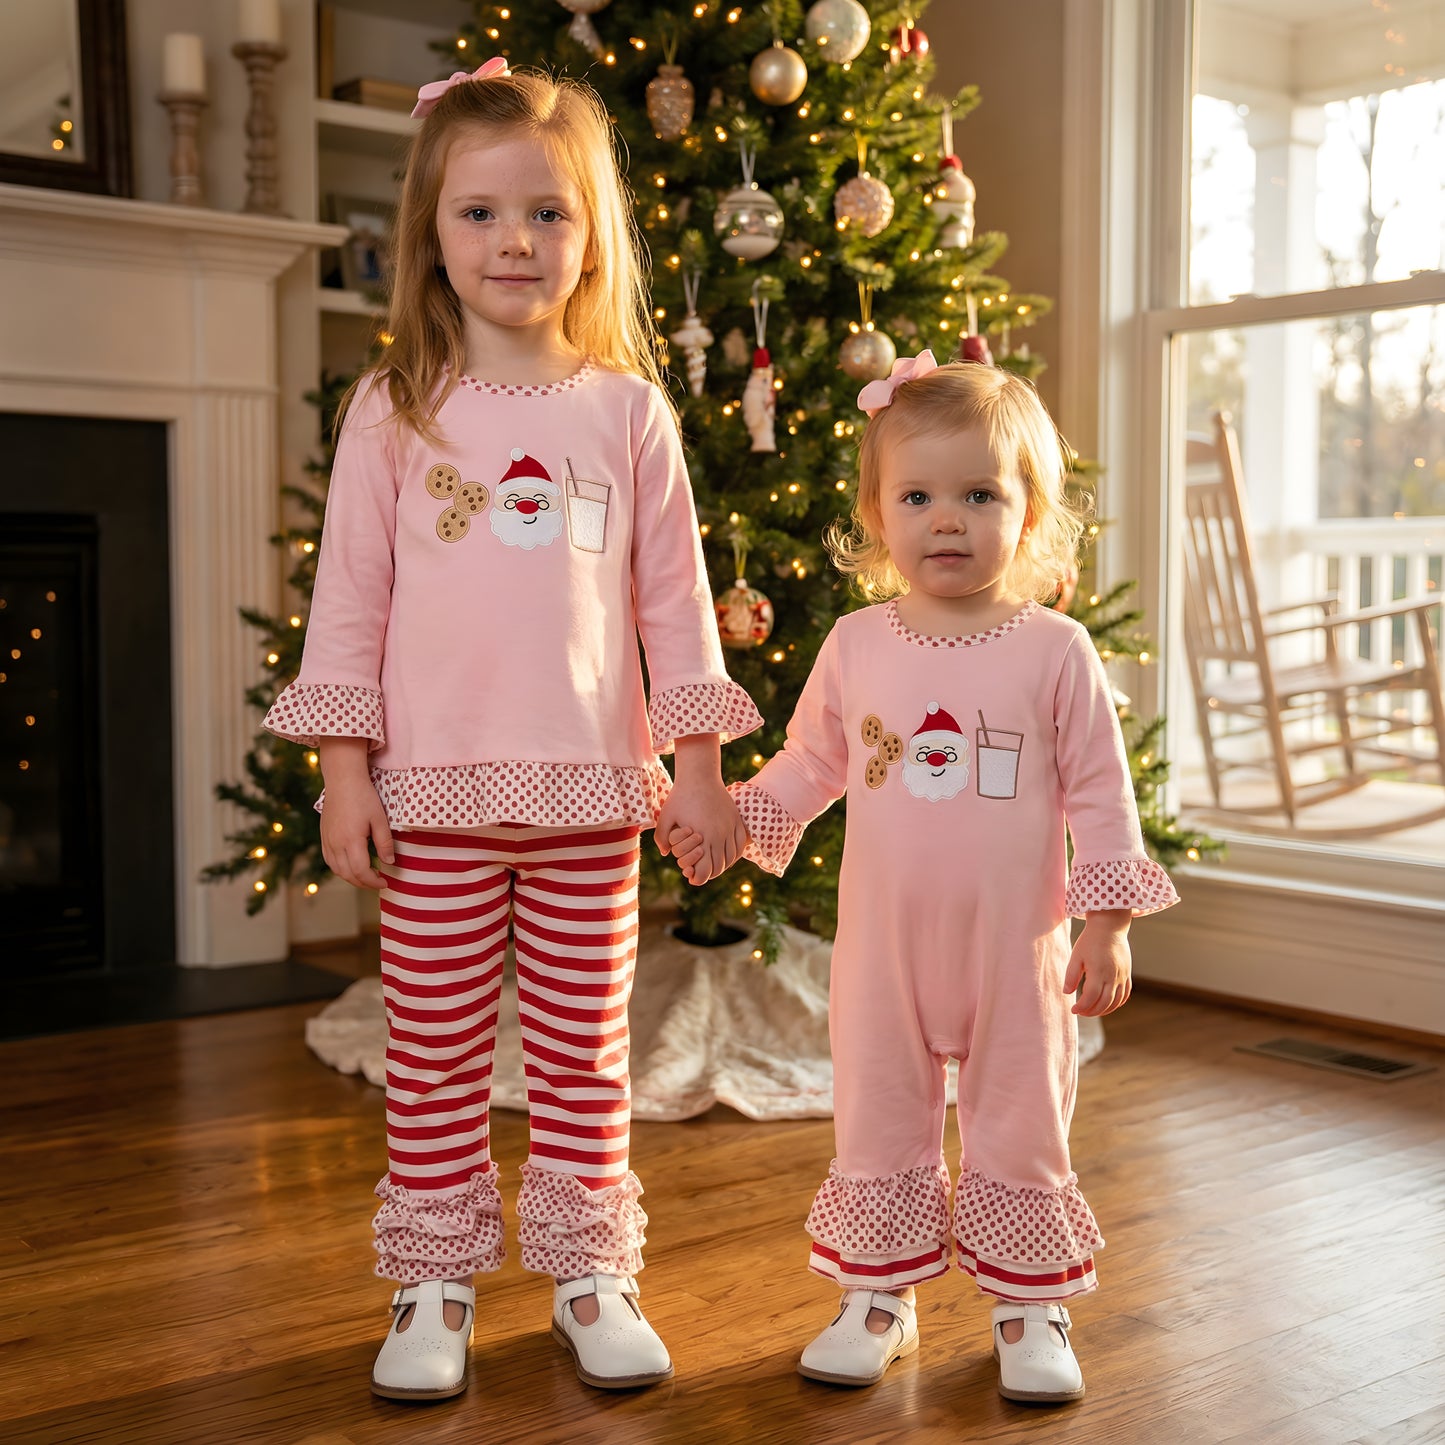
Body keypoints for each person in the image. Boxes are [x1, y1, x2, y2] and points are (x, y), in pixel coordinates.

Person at [263, 59, 758, 1401]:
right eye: (480, 215)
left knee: (586, 1054)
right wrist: (342, 778)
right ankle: (432, 1279)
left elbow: (675, 606)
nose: (514, 243)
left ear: (589, 234)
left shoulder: (626, 412)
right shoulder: (393, 411)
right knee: (426, 1055)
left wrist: (701, 769)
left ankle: (591, 1271)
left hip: (595, 797)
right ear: (432, 232)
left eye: (545, 213)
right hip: (428, 804)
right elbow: (349, 604)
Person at [674, 350, 1178, 1404]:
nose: (945, 518)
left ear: (1029, 515)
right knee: (877, 1112)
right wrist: (733, 823)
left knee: (1019, 1117)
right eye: (916, 495)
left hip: (1016, 949)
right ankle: (876, 1295)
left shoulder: (1055, 649)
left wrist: (1106, 924)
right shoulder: (858, 643)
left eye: (978, 494)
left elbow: (1099, 792)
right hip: (883, 951)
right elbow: (813, 761)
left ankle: (1027, 1303)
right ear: (876, 514)